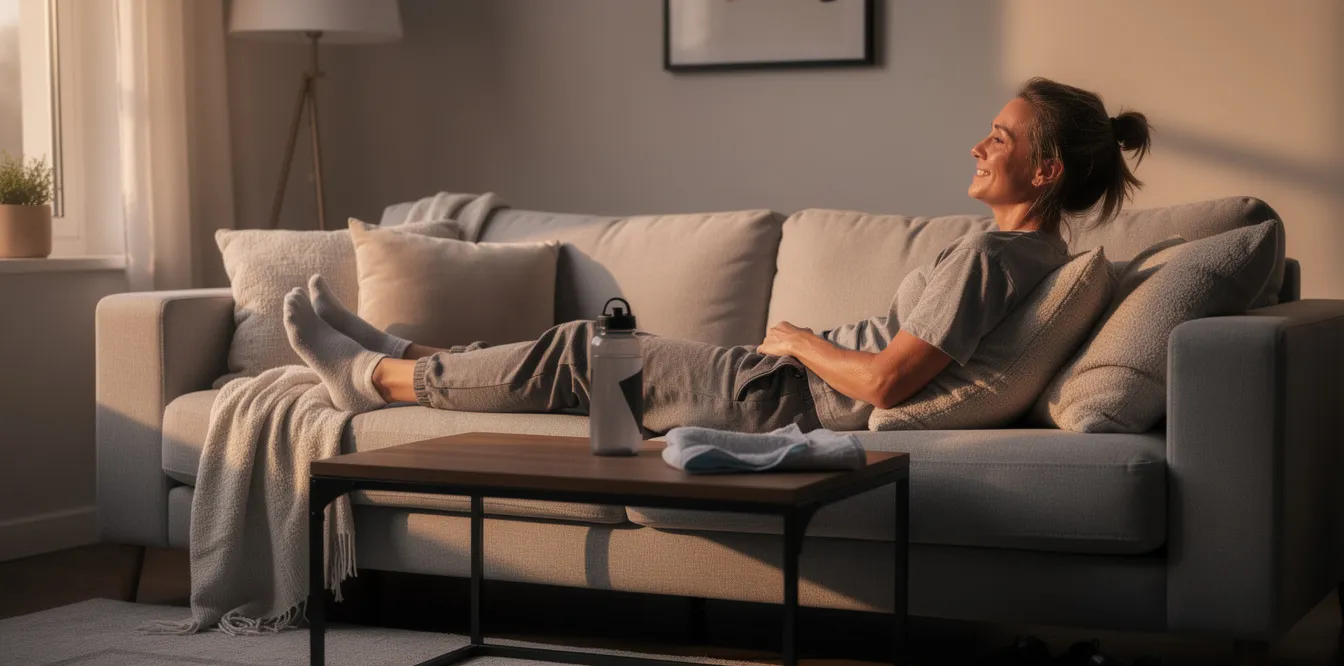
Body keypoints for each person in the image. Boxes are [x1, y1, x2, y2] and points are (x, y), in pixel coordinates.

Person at [282, 77, 1152, 433]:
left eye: (997, 138)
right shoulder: (1031, 260)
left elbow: (887, 382)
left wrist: (800, 340)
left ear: (1045, 169)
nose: (977, 146)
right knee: (582, 350)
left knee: (582, 352)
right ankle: (397, 354)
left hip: (783, 395)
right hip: (780, 383)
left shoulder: (993, 260)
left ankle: (369, 382)